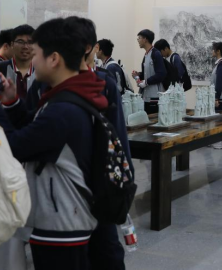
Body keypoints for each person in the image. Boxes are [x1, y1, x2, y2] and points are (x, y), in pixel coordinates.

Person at [0, 18, 104, 270]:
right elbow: (35, 130)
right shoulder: (68, 97)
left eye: (36, 53)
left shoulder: (63, 109)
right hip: (63, 218)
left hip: (61, 225)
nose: (32, 60)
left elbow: (15, 146)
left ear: (54, 59)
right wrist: (12, 102)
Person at [69, 19, 132, 270]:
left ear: (90, 47)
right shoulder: (47, 84)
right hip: (67, 189)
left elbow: (118, 137)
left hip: (101, 184)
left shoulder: (105, 83)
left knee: (107, 251)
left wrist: (123, 185)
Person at [132, 29, 166, 115]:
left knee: (153, 120)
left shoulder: (156, 53)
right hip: (145, 96)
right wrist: (138, 75)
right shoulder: (146, 54)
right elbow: (147, 73)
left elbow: (161, 74)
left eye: (139, 38)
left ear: (145, 39)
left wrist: (146, 82)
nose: (138, 40)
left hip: (154, 97)